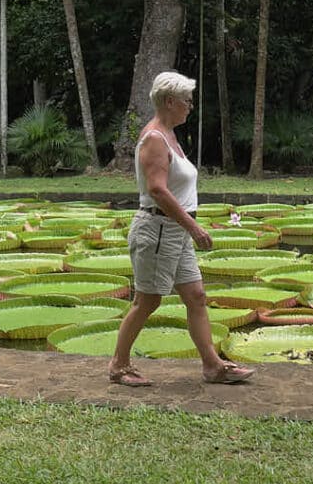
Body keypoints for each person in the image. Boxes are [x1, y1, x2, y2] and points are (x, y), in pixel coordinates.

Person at [109, 71, 255, 387]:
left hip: (174, 231)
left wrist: (187, 228)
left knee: (196, 296)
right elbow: (157, 190)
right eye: (187, 101)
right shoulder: (154, 139)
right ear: (169, 101)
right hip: (159, 229)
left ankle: (213, 366)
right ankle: (118, 366)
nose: (190, 106)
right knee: (147, 301)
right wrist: (194, 227)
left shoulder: (170, 135)